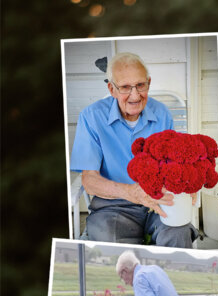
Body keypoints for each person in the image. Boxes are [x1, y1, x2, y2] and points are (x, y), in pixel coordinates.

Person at [70, 52, 197, 248]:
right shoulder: (92, 117)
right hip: (113, 207)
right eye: (125, 88)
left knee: (178, 233)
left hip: (158, 203)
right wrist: (132, 192)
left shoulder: (162, 114)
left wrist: (188, 183)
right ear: (112, 89)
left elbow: (174, 165)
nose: (135, 95)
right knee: (111, 242)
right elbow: (89, 181)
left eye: (140, 85)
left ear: (149, 83)